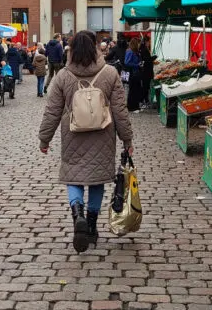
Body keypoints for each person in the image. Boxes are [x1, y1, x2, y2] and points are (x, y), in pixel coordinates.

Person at [39, 30, 134, 254]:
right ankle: (91, 226)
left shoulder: (63, 75)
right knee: (97, 179)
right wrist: (127, 139)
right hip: (103, 134)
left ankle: (77, 213)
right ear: (95, 48)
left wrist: (45, 138)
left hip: (73, 134)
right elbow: (120, 110)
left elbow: (52, 110)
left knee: (74, 176)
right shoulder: (110, 73)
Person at [124, 37, 142, 113]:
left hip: (136, 73)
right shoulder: (130, 51)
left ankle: (135, 106)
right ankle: (131, 107)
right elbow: (126, 62)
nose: (139, 45)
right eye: (138, 43)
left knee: (136, 90)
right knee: (132, 90)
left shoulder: (134, 51)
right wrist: (137, 65)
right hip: (133, 73)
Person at [139, 36, 157, 108]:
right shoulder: (144, 50)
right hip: (146, 71)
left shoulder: (143, 49)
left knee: (146, 87)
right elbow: (147, 60)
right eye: (149, 41)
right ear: (146, 42)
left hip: (145, 71)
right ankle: (141, 101)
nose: (149, 43)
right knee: (145, 87)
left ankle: (146, 101)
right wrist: (154, 57)